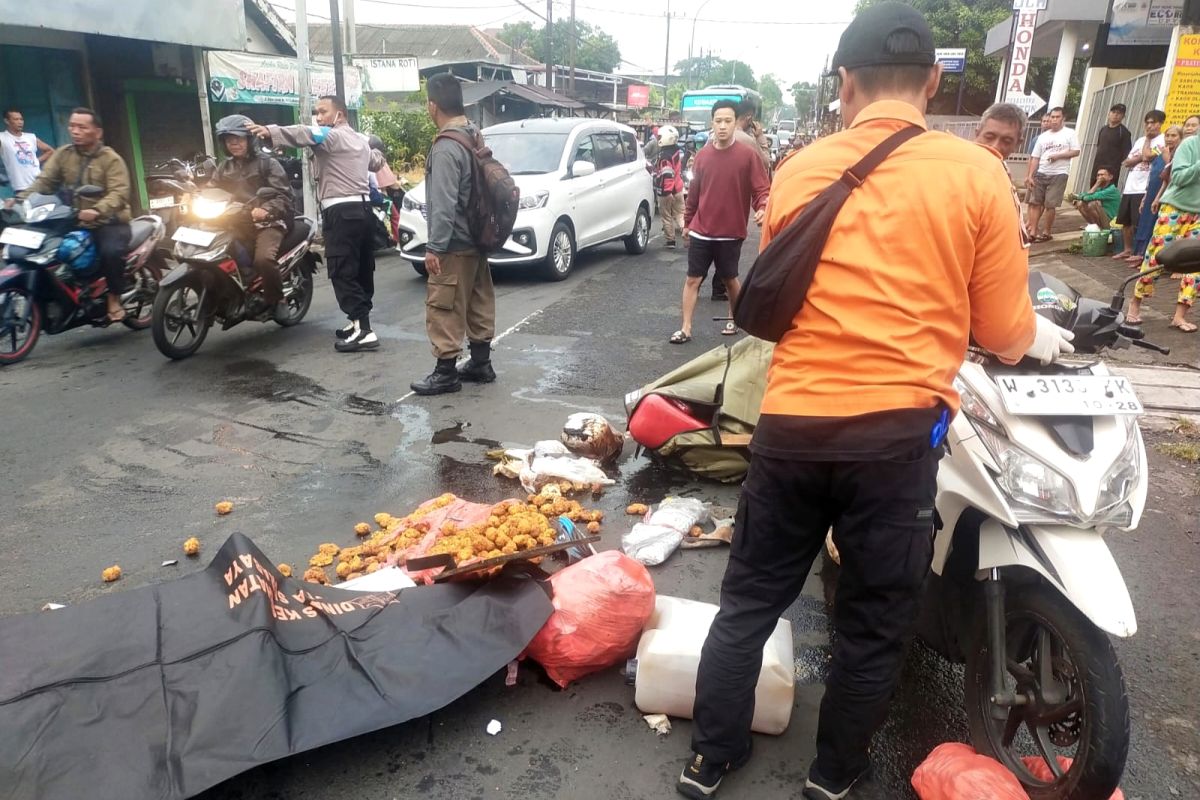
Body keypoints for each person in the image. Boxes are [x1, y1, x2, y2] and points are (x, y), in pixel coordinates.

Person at [674, 5, 1074, 800]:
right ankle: (834, 774)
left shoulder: (801, 170)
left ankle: (709, 759)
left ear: (845, 84)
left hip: (791, 426)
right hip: (893, 443)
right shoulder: (975, 174)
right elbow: (1001, 330)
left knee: (748, 601)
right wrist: (1042, 337)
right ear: (933, 81)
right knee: (873, 620)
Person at [249, 95, 383, 352]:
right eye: (316, 112)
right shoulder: (360, 140)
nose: (319, 117)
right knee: (361, 268)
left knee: (342, 269)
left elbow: (303, 133)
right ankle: (358, 322)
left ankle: (364, 331)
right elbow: (376, 162)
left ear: (339, 115)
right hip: (364, 211)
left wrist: (270, 131)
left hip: (341, 212)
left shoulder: (330, 136)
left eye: (323, 112)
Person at [409, 72, 497, 396]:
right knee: (477, 298)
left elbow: (444, 204)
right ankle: (481, 363)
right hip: (479, 235)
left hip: (456, 241)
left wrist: (435, 247)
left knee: (443, 303)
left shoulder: (447, 145)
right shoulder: (474, 133)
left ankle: (445, 373)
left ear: (433, 106)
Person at [11, 108, 131, 323]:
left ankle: (114, 298)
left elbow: (119, 193)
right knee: (45, 245)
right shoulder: (64, 154)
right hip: (72, 217)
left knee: (110, 252)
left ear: (97, 132)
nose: (75, 131)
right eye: (72, 126)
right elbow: (44, 182)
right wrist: (20, 200)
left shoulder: (110, 159)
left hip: (108, 221)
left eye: (82, 127)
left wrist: (97, 210)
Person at [670, 99, 769, 345]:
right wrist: (688, 223)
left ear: (736, 124)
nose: (722, 126)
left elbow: (761, 190)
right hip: (701, 231)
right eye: (718, 121)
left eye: (728, 121)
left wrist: (763, 208)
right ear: (711, 123)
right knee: (693, 278)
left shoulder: (748, 156)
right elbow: (693, 195)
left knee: (729, 279)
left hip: (730, 233)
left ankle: (736, 320)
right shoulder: (703, 157)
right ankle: (685, 328)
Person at [210, 115, 294, 306]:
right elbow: (212, 190)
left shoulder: (268, 163)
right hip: (235, 221)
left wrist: (265, 209)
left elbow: (284, 196)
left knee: (263, 260)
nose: (233, 143)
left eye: (238, 138)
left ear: (249, 139)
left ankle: (278, 300)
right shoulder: (224, 167)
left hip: (267, 222)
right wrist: (193, 196)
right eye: (228, 140)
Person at [1126, 120, 1200, 333]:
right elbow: (1178, 177)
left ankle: (1179, 316)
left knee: (1195, 266)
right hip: (1175, 208)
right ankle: (1135, 304)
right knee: (1156, 257)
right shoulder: (1190, 145)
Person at [1112, 109, 1166, 261]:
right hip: (1131, 185)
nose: (1149, 126)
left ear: (1160, 124)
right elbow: (1127, 162)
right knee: (1125, 220)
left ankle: (1139, 252)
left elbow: (1148, 156)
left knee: (1139, 221)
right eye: (1147, 123)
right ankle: (1128, 249)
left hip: (1145, 186)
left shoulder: (1162, 140)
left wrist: (1147, 144)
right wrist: (1141, 155)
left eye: (1153, 123)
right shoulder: (1139, 141)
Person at [1128, 123, 1182, 266]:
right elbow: (1152, 174)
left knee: (1157, 228)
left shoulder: (1179, 154)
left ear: (1180, 138)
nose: (1170, 139)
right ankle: (1141, 255)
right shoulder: (1161, 152)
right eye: (1167, 135)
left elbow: (1170, 178)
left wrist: (1167, 159)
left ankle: (1155, 260)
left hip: (1166, 195)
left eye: (1174, 136)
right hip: (1152, 192)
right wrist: (1146, 197)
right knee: (1146, 223)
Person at [1024, 107, 1080, 242]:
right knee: (1036, 202)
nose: (1054, 120)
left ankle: (1047, 231)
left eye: (1057, 117)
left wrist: (1058, 156)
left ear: (1063, 118)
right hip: (1042, 172)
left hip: (1059, 173)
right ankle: (1033, 230)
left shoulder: (1069, 133)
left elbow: (1076, 151)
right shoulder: (1043, 137)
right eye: (1052, 117)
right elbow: (1035, 157)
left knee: (1050, 204)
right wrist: (1030, 175)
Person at [0, 108, 54, 193]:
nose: (20, 122)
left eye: (21, 119)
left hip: (39, 184)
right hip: (21, 188)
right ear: (7, 121)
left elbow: (50, 151)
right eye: (16, 119)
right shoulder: (2, 138)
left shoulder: (30, 137)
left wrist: (36, 161)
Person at [655, 125, 686, 248]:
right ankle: (688, 234)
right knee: (681, 215)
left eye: (660, 136)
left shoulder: (664, 157)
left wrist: (667, 192)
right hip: (678, 189)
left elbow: (667, 175)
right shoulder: (677, 151)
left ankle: (670, 241)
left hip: (667, 191)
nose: (658, 138)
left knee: (666, 216)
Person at [1091, 103, 1132, 181]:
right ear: (1109, 114)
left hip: (1111, 171)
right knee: (1093, 189)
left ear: (1123, 116)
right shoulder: (1103, 129)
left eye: (1119, 113)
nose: (1115, 115)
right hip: (1097, 166)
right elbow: (1099, 146)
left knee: (1106, 191)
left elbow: (1126, 152)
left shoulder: (1124, 132)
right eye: (1113, 112)